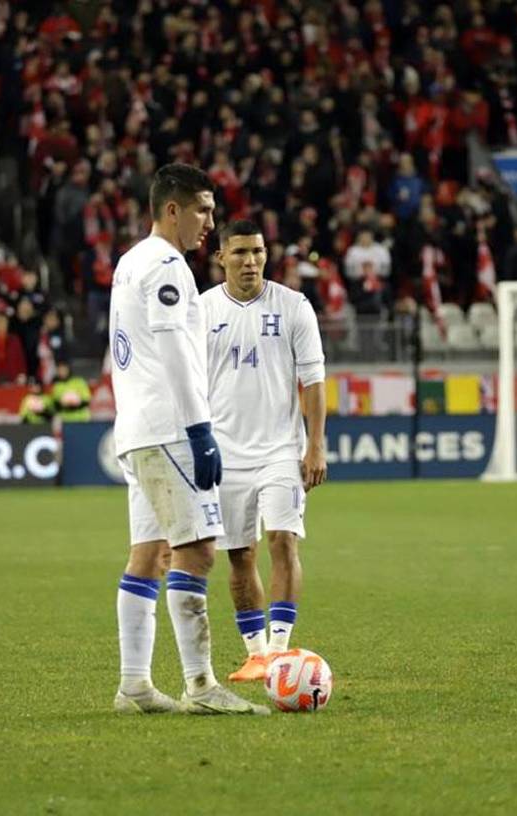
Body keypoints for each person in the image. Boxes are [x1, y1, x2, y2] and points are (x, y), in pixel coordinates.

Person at [109, 163, 267, 715]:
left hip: (136, 426)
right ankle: (200, 687)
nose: (210, 223)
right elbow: (175, 350)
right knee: (197, 551)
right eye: (202, 210)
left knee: (148, 555)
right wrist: (200, 430)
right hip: (170, 429)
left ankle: (134, 686)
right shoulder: (167, 266)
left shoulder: (130, 262)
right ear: (171, 209)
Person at [201, 220, 328, 682]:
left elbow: (313, 380)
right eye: (239, 253)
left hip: (281, 449)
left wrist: (314, 446)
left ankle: (279, 651)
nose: (250, 261)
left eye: (257, 252)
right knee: (239, 555)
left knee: (282, 539)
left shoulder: (294, 306)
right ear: (221, 258)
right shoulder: (201, 311)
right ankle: (255, 653)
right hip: (224, 454)